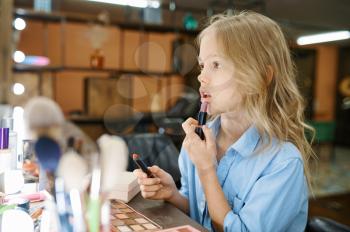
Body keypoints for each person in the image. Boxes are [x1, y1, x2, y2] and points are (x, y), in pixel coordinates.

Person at [134, 11, 314, 232]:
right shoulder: (199, 139)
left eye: (216, 64)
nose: (201, 76)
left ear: (261, 78)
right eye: (202, 65)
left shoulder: (283, 164)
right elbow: (200, 214)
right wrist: (172, 194)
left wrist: (207, 170)